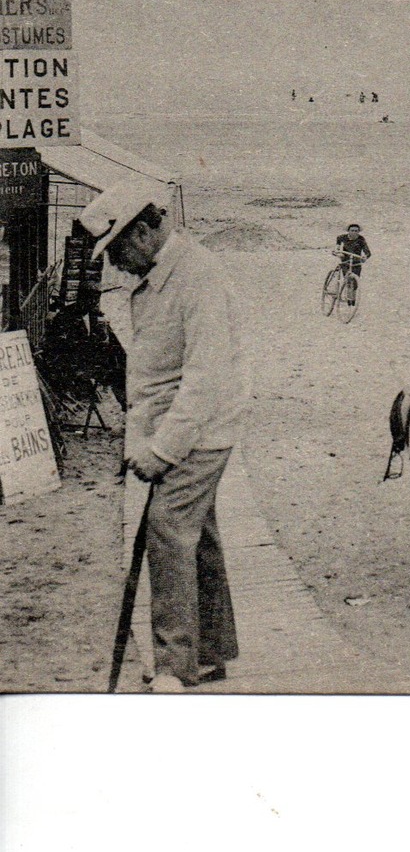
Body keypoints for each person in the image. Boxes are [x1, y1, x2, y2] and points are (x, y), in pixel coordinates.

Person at [78, 181, 250, 691]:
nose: (116, 264)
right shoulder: (161, 274)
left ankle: (176, 666)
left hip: (203, 429)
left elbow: (205, 377)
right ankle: (210, 650)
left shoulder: (198, 276)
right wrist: (145, 440)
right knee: (199, 536)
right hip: (181, 426)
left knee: (169, 531)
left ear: (148, 230)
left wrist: (162, 450)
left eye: (119, 249)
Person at [333, 223, 371, 305]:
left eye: (356, 231)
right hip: (345, 261)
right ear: (348, 231)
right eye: (352, 231)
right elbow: (337, 247)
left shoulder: (361, 239)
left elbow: (367, 252)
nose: (354, 232)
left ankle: (352, 301)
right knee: (348, 281)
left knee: (355, 283)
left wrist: (365, 257)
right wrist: (338, 253)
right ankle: (349, 301)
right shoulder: (341, 238)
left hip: (356, 262)